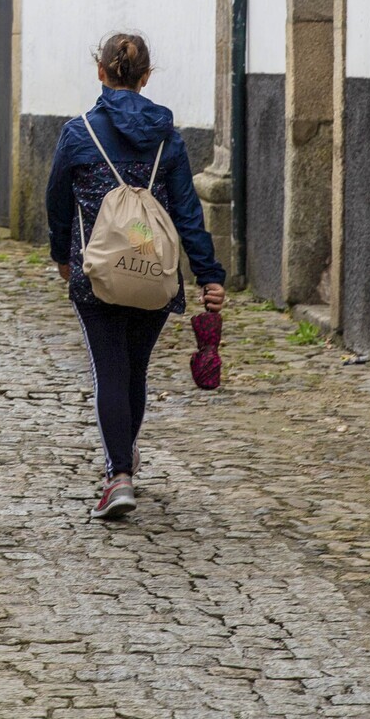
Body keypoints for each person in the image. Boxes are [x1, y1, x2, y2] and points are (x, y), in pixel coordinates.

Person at [45, 32, 226, 520]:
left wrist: (62, 254)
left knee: (109, 371)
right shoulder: (168, 137)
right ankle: (124, 455)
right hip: (153, 273)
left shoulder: (78, 133)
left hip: (97, 274)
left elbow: (57, 200)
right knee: (134, 370)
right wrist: (209, 274)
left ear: (100, 72)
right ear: (146, 78)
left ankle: (119, 476)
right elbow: (187, 212)